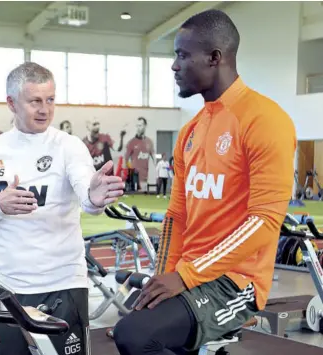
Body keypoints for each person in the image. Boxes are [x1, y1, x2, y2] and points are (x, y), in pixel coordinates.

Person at [113, 9, 296, 355]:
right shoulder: (191, 131)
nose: (174, 65)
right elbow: (176, 216)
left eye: (182, 55)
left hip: (235, 281)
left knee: (134, 336)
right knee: (141, 326)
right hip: (190, 274)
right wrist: (163, 278)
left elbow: (265, 221)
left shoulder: (265, 120)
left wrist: (185, 277)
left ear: (215, 58)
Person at [0, 62, 125, 355]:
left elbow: (86, 192)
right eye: (35, 101)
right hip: (8, 288)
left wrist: (94, 198)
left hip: (64, 285)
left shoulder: (68, 146)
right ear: (11, 103)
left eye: (50, 99)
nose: (45, 109)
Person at [124, 117, 155, 191]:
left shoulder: (149, 142)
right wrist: (129, 172)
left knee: (144, 198)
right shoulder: (131, 142)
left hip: (145, 178)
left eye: (140, 125)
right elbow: (126, 160)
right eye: (137, 126)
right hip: (135, 177)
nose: (138, 128)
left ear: (145, 126)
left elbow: (154, 158)